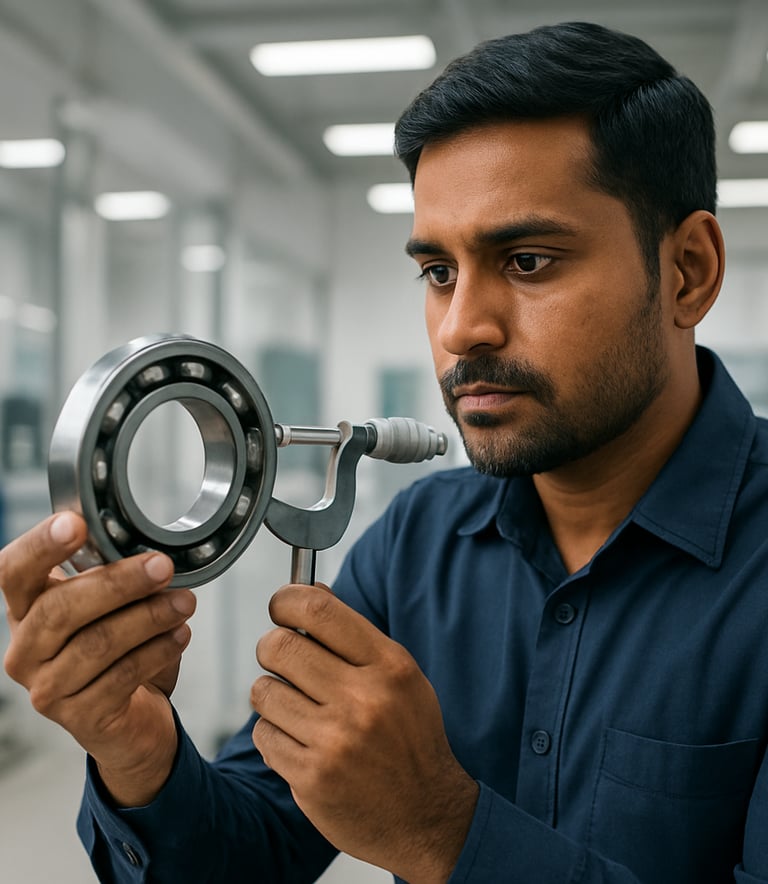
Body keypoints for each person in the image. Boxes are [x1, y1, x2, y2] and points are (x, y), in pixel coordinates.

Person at [2, 20, 767, 884]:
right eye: (438, 272)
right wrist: (138, 754)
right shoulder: (417, 545)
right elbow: (249, 859)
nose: (461, 327)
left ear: (689, 271)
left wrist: (446, 829)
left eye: (526, 260)